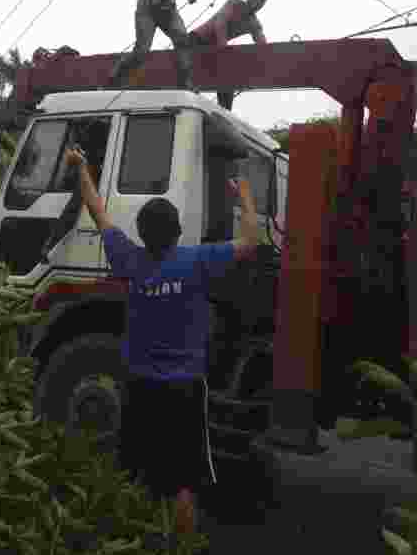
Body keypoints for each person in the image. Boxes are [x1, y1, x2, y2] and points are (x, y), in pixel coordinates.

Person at [62, 144, 259, 543]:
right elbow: (250, 243)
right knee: (183, 483)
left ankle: (138, 542)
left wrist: (82, 167)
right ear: (178, 232)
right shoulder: (197, 261)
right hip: (185, 387)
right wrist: (246, 196)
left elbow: (98, 213)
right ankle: (182, 547)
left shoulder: (130, 261)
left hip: (140, 385)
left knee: (138, 475)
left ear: (141, 233)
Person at [188, 0, 271, 110]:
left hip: (216, 50)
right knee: (194, 81)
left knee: (228, 79)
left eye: (262, 0)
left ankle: (225, 112)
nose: (258, 2)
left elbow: (263, 46)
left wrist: (271, 56)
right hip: (196, 41)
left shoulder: (254, 23)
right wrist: (224, 49)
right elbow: (220, 23)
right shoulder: (234, 3)